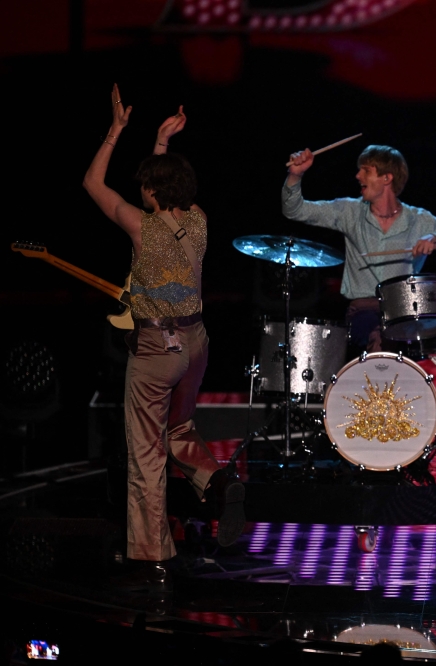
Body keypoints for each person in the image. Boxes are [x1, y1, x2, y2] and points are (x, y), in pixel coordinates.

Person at [83, 84, 244, 586]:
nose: (141, 193)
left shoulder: (140, 226)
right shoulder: (198, 221)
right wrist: (160, 143)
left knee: (147, 450)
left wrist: (115, 133)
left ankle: (152, 553)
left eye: (145, 188)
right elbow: (162, 186)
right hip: (195, 345)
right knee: (179, 430)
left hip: (156, 349)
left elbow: (92, 184)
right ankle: (214, 478)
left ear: (150, 194)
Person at [282, 144, 436, 351]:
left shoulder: (419, 220)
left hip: (406, 312)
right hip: (363, 312)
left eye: (366, 171)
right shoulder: (348, 211)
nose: (358, 176)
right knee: (379, 336)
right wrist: (295, 176)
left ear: (387, 178)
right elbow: (295, 211)